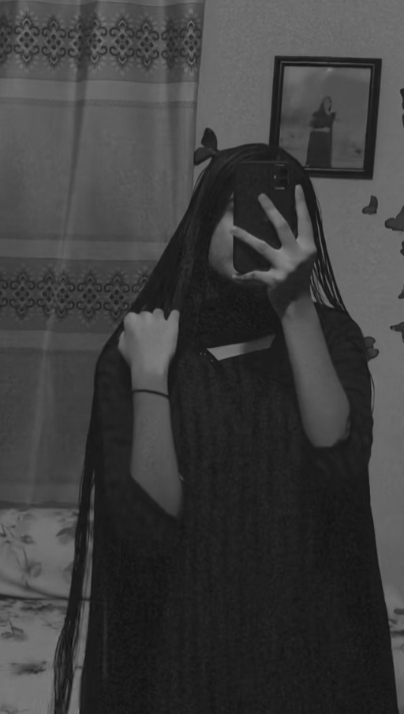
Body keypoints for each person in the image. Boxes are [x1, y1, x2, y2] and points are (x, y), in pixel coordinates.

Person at [51, 129, 399, 713]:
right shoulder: (145, 341)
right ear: (202, 221)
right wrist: (150, 375)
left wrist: (295, 306)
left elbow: (336, 452)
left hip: (311, 635)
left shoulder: (331, 334)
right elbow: (147, 521)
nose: (257, 231)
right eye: (239, 212)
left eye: (279, 215)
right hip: (185, 639)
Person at [306, 96, 337, 168]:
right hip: (315, 143)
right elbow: (310, 128)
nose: (327, 104)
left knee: (325, 164)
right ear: (322, 104)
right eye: (325, 102)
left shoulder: (332, 115)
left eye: (329, 103)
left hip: (326, 143)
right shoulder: (316, 114)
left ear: (331, 104)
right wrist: (321, 130)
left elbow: (328, 129)